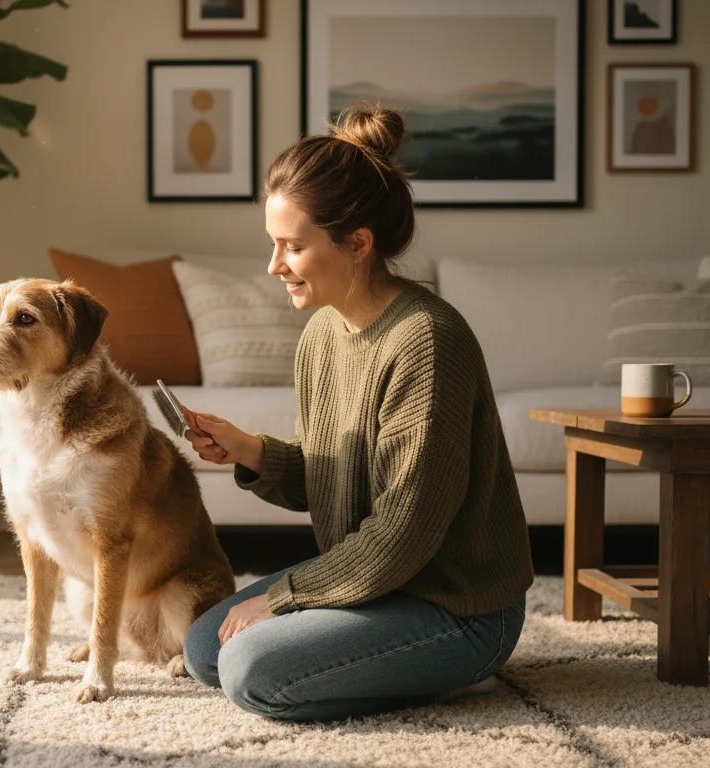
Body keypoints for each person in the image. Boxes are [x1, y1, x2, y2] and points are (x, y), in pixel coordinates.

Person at [179, 103, 534, 722]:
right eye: (272, 245)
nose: (274, 266)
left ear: (358, 244)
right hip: (381, 584)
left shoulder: (426, 341)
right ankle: (382, 664)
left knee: (249, 670)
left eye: (292, 247)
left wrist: (287, 597)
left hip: (458, 606)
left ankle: (451, 672)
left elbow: (403, 530)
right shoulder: (322, 335)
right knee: (204, 647)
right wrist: (249, 450)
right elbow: (335, 480)